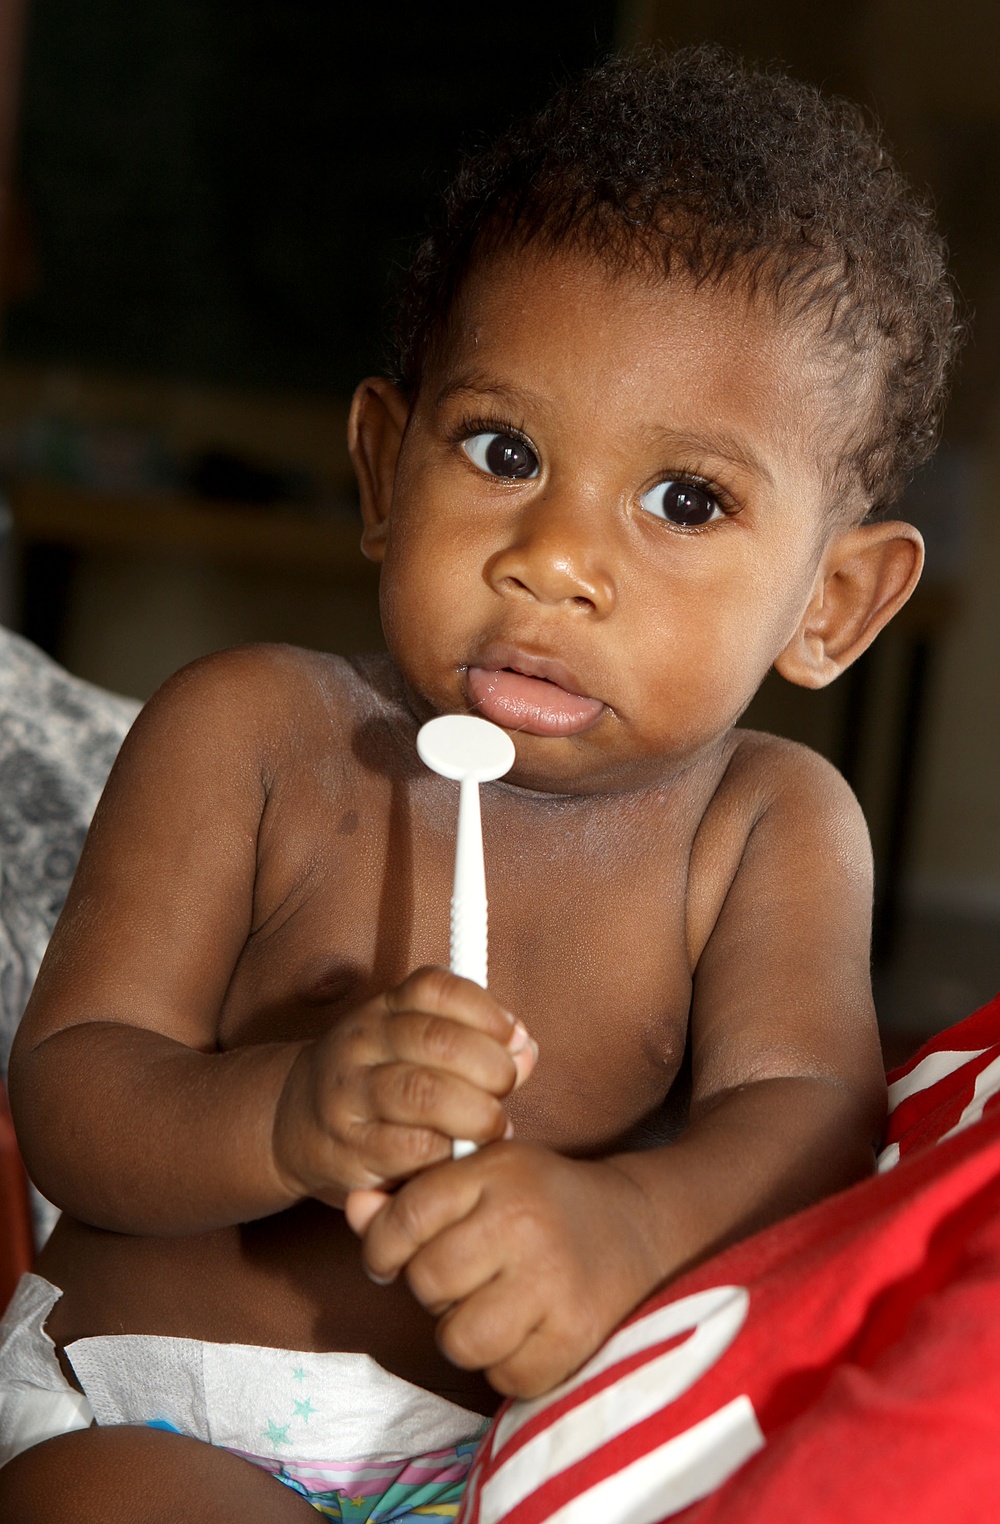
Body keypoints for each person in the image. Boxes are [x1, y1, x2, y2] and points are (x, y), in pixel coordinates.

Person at [0, 46, 961, 1524]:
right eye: (504, 451)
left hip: (509, 1458)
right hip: (155, 1404)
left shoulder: (764, 828)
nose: (556, 559)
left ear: (833, 603)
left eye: (684, 501)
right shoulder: (251, 732)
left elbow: (811, 1122)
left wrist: (622, 1218)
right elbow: (72, 1090)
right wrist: (286, 1112)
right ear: (388, 471)